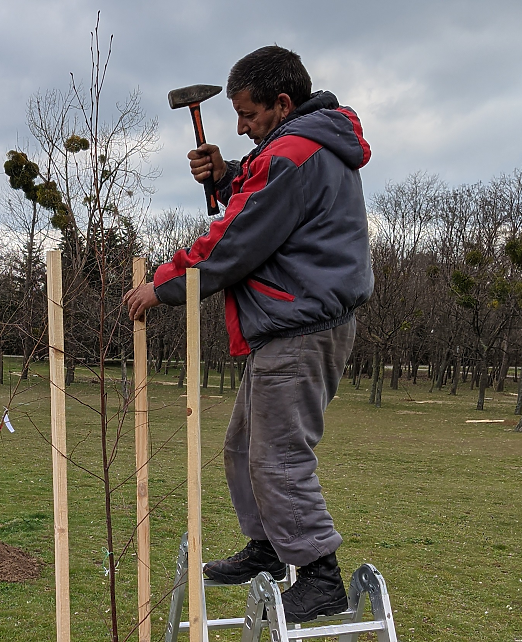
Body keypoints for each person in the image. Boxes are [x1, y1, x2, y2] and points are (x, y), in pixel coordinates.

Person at [123, 45, 373, 623]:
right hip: (292, 327)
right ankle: (267, 546)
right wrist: (232, 174)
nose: (239, 127)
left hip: (299, 328)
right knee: (242, 448)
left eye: (248, 114)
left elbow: (233, 245)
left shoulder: (292, 154)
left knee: (279, 458)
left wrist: (163, 285)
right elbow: (265, 206)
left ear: (282, 104)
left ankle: (318, 575)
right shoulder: (295, 152)